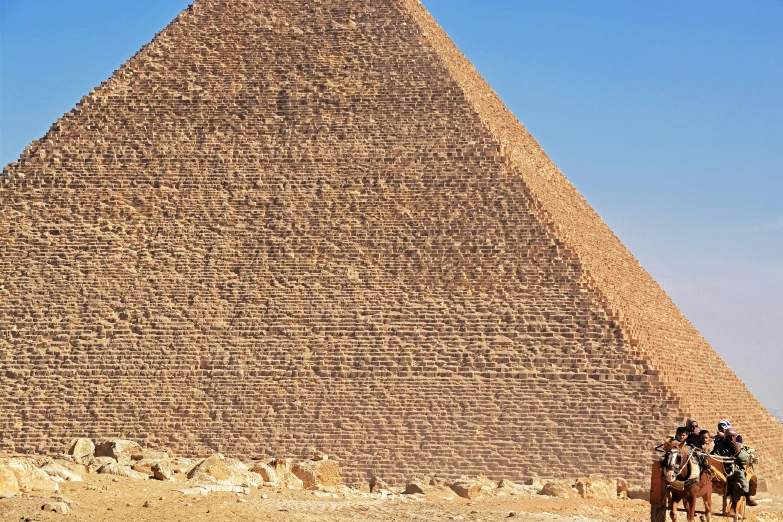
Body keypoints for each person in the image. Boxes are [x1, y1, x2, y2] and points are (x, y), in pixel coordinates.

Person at [712, 427, 757, 511]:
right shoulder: (720, 445)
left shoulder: (739, 446)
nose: (732, 438)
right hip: (722, 470)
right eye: (729, 436)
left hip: (735, 471)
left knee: (738, 484)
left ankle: (739, 501)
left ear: (736, 436)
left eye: (733, 436)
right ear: (726, 437)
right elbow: (714, 456)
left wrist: (739, 451)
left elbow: (746, 460)